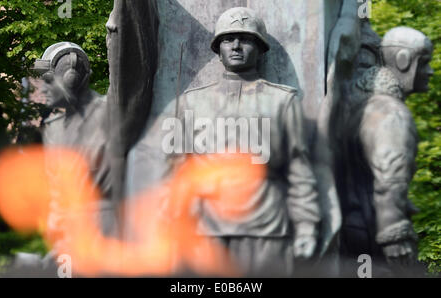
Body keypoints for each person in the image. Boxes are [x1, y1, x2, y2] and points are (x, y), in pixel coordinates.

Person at [169, 7, 320, 277]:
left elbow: (300, 167)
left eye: (246, 39)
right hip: (206, 229)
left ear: (260, 48)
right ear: (218, 48)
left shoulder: (283, 101)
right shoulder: (191, 102)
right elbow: (179, 171)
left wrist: (307, 224)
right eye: (228, 39)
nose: (236, 46)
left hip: (266, 228)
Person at [340, 27, 434, 276]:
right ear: (404, 61)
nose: (430, 72)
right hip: (374, 232)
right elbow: (389, 179)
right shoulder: (391, 114)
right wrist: (395, 237)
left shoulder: (362, 105)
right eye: (424, 63)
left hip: (354, 226)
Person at [33, 42, 114, 236]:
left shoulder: (109, 115)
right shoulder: (54, 129)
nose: (42, 89)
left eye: (48, 80)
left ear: (71, 78)